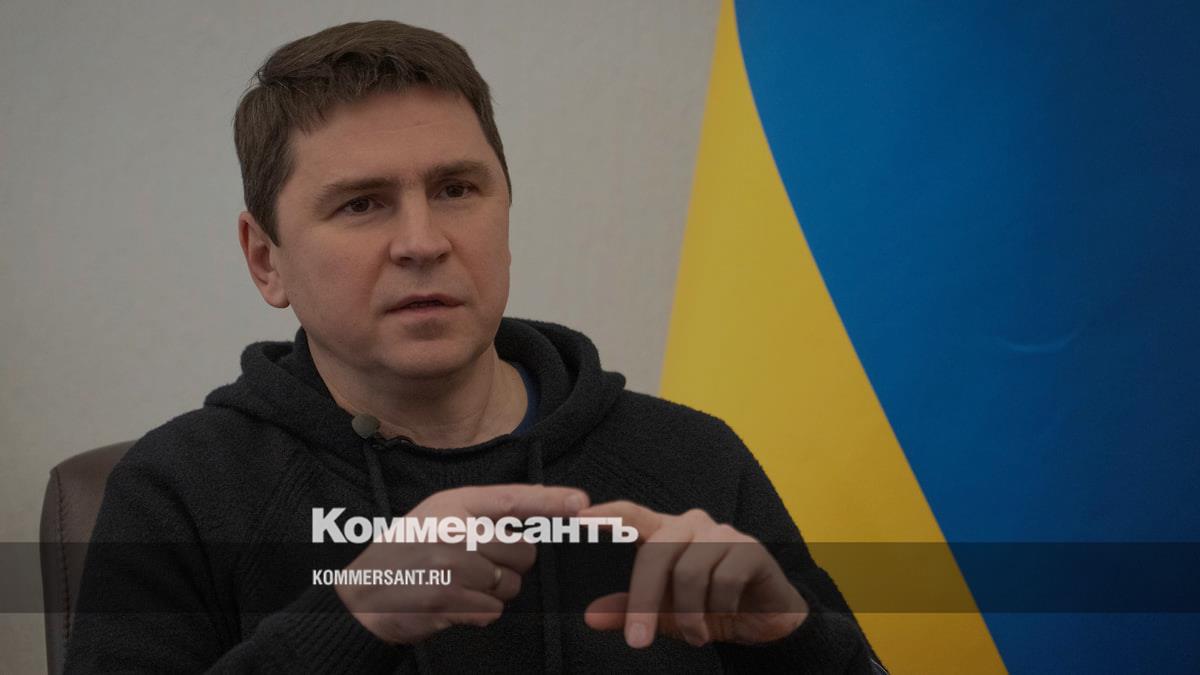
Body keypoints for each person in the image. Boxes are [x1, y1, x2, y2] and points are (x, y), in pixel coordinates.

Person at [65, 20, 884, 673]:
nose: (423, 242)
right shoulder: (180, 491)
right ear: (264, 259)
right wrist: (352, 616)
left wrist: (793, 637)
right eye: (361, 204)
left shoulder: (691, 459)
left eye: (456, 189)